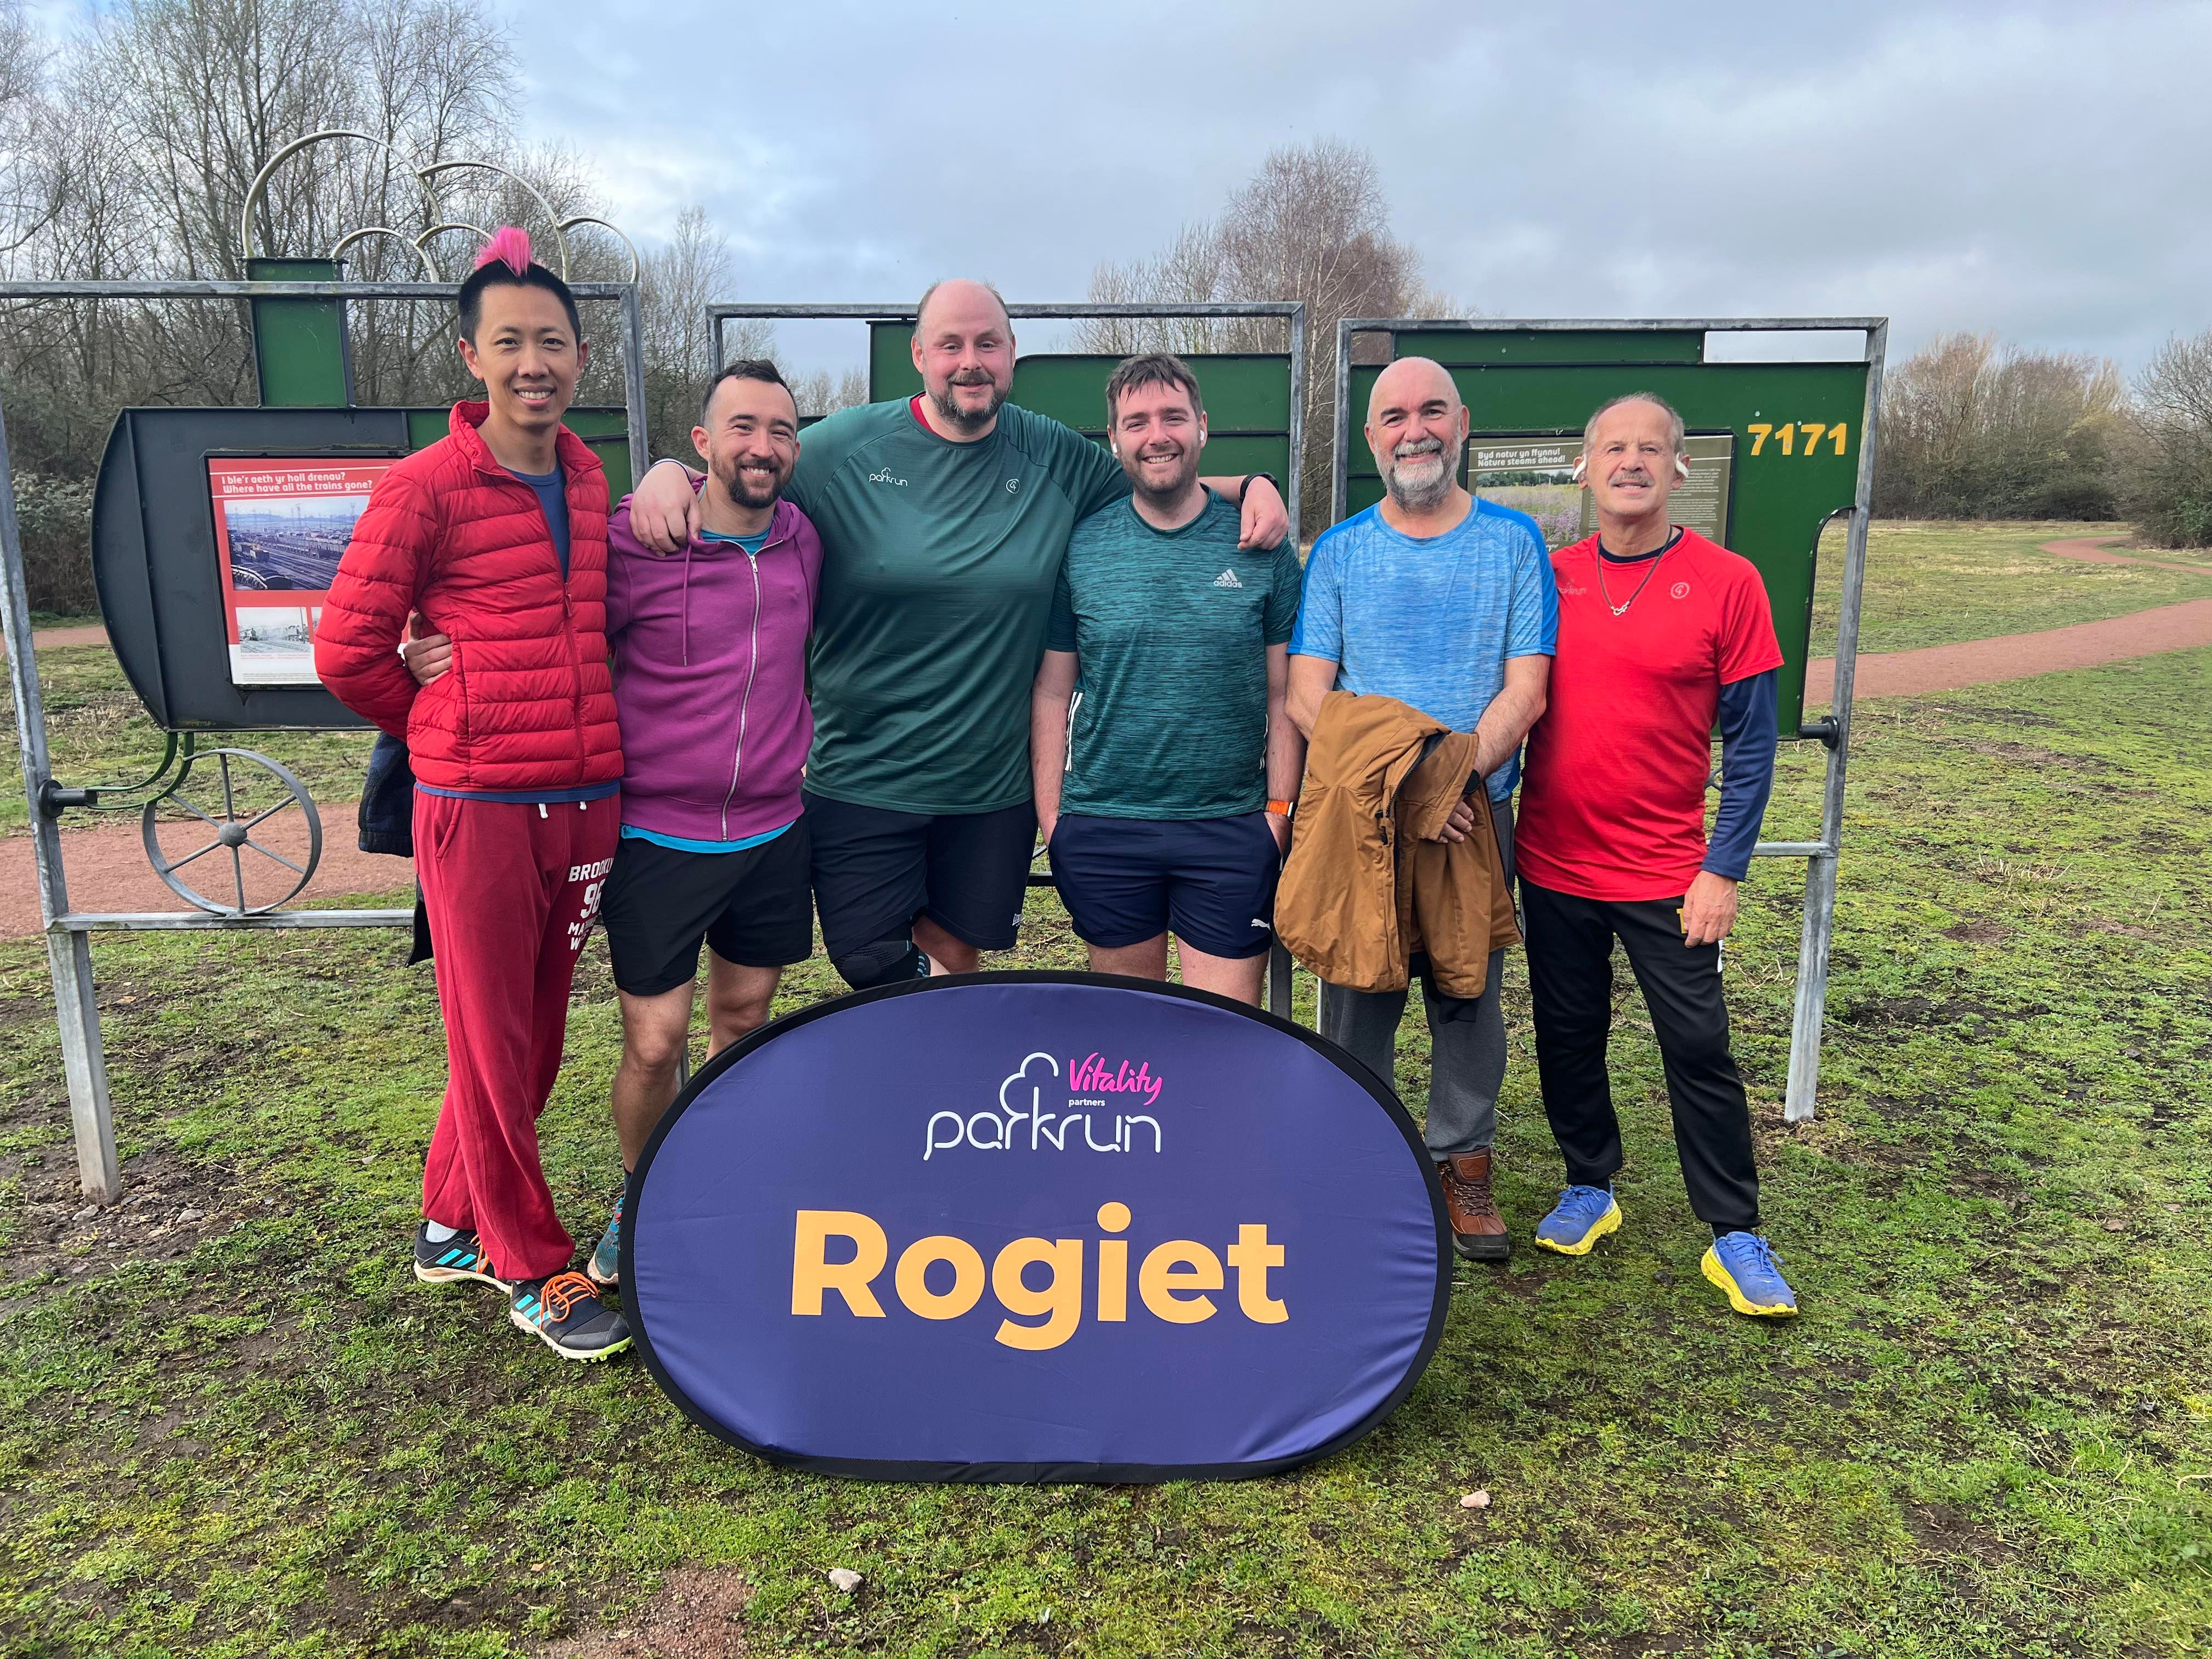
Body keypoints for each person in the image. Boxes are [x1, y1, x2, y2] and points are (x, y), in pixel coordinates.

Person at [624, 280, 1288, 989]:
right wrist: (669, 473)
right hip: (862, 780)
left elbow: (1158, 471)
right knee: (871, 963)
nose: (969, 361)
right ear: (919, 355)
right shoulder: (847, 446)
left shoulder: (1048, 452)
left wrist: (1251, 483)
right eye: (950, 345)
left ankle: (935, 1085)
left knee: (954, 962)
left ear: (1010, 357)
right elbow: (747, 468)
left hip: (988, 792)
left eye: (987, 344)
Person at [403, 360, 823, 1291]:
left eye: (782, 431)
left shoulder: (803, 538)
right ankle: (645, 1190)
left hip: (773, 831)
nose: (764, 447)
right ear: (704, 442)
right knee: (654, 1040)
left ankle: (720, 1175)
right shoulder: (633, 538)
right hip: (658, 835)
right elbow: (521, 604)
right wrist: (424, 637)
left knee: (745, 1017)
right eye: (742, 428)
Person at [314, 228, 629, 1362]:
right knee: (492, 1043)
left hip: (588, 799)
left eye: (552, 341)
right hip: (482, 809)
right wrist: (446, 720)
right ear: (471, 355)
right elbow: (348, 651)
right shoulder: (424, 487)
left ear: (580, 357)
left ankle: (447, 1227)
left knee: (531, 1040)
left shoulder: (592, 481)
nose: (533, 362)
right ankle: (530, 1264)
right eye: (510, 342)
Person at [1515, 392, 1797, 1317]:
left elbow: (1752, 743)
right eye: (1611, 447)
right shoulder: (1545, 576)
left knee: (1697, 1045)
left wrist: (1724, 868)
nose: (1629, 461)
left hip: (1670, 873)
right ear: (1583, 467)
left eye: (1650, 448)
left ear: (1679, 470)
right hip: (1552, 862)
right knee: (1566, 1032)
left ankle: (1733, 1230)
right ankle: (1589, 1181)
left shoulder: (1729, 581)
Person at [1286, 357, 1556, 1262]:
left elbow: (1526, 689)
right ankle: (1359, 1155)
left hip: (1475, 813)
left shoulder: (1515, 544)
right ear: (1371, 438)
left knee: (1466, 990)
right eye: (1394, 414)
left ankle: (1461, 1162)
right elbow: (1305, 695)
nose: (1415, 428)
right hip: (1365, 817)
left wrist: (1448, 784)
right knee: (1357, 985)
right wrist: (1407, 790)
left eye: (1431, 409)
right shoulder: (1338, 551)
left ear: (1462, 421)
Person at [1030, 354, 1304, 1003]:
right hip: (1104, 827)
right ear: (1115, 439)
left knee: (1229, 1040)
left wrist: (1277, 815)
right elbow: (1050, 690)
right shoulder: (1082, 545)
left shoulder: (1261, 543)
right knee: (1133, 1041)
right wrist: (1054, 822)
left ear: (1202, 427)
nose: (1157, 435)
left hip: (1232, 827)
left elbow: (1284, 693)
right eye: (1137, 421)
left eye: (1173, 417)